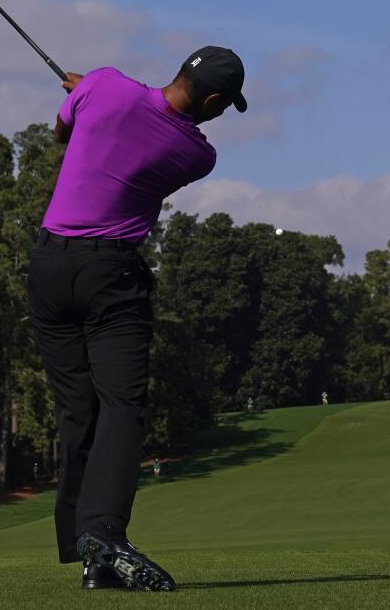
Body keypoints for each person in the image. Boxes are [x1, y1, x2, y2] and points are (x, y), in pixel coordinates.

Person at [29, 47, 246, 592]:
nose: (219, 116)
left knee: (78, 411)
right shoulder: (197, 155)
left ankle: (91, 557)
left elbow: (65, 134)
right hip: (110, 275)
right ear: (214, 101)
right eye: (222, 107)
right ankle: (102, 532)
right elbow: (153, 129)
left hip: (49, 268)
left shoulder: (104, 83)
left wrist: (85, 94)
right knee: (121, 406)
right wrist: (92, 99)